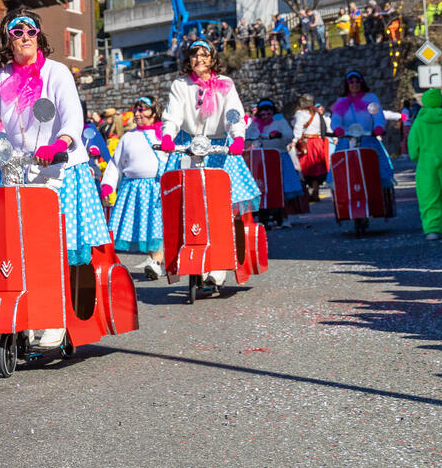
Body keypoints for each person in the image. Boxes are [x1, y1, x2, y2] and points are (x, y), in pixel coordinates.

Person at [0, 8, 111, 348]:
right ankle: (26, 311)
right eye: (17, 32)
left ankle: (58, 317)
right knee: (18, 250)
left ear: (39, 34)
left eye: (30, 30)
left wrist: (61, 142)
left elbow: (72, 114)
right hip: (18, 171)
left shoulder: (56, 72)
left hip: (61, 170)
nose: (25, 36)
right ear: (8, 39)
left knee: (61, 250)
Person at [159, 38, 259, 291]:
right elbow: (173, 113)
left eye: (204, 55)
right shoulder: (180, 84)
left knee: (221, 209)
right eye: (194, 55)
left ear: (212, 58)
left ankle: (219, 264)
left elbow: (234, 113)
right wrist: (168, 136)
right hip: (189, 147)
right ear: (188, 60)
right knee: (186, 204)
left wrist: (238, 137)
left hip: (219, 148)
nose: (199, 59)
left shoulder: (225, 84)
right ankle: (189, 256)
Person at [100, 96, 166, 280]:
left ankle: (156, 262)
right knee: (138, 227)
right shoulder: (128, 138)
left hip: (156, 187)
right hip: (133, 189)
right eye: (136, 110)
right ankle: (113, 266)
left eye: (142, 110)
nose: (137, 114)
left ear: (154, 113)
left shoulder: (165, 135)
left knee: (155, 226)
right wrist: (108, 184)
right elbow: (115, 164)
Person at [329, 70, 395, 212]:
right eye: (351, 82)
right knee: (342, 169)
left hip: (367, 139)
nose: (354, 84)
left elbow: (378, 115)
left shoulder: (370, 98)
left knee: (376, 168)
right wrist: (337, 128)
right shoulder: (342, 101)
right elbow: (336, 119)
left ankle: (378, 200)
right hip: (346, 141)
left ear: (362, 82)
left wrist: (378, 126)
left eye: (357, 81)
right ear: (347, 84)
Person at [407, 88, 442, 240]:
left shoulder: (419, 120)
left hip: (427, 161)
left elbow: (413, 145)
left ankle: (432, 228)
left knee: (428, 194)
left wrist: (417, 156)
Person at [245, 98, 304, 228]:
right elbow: (247, 137)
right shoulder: (255, 124)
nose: (265, 116)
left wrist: (279, 134)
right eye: (263, 113)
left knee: (283, 188)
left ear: (273, 112)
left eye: (268, 112)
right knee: (262, 186)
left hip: (279, 156)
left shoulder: (279, 121)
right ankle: (262, 215)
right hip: (262, 159)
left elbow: (289, 135)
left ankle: (284, 216)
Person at [293, 93, 329, 201]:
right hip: (318, 142)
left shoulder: (300, 113)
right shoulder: (317, 114)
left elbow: (298, 128)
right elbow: (323, 128)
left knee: (307, 168)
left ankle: (310, 193)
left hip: (307, 143)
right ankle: (315, 191)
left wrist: (294, 141)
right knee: (317, 168)